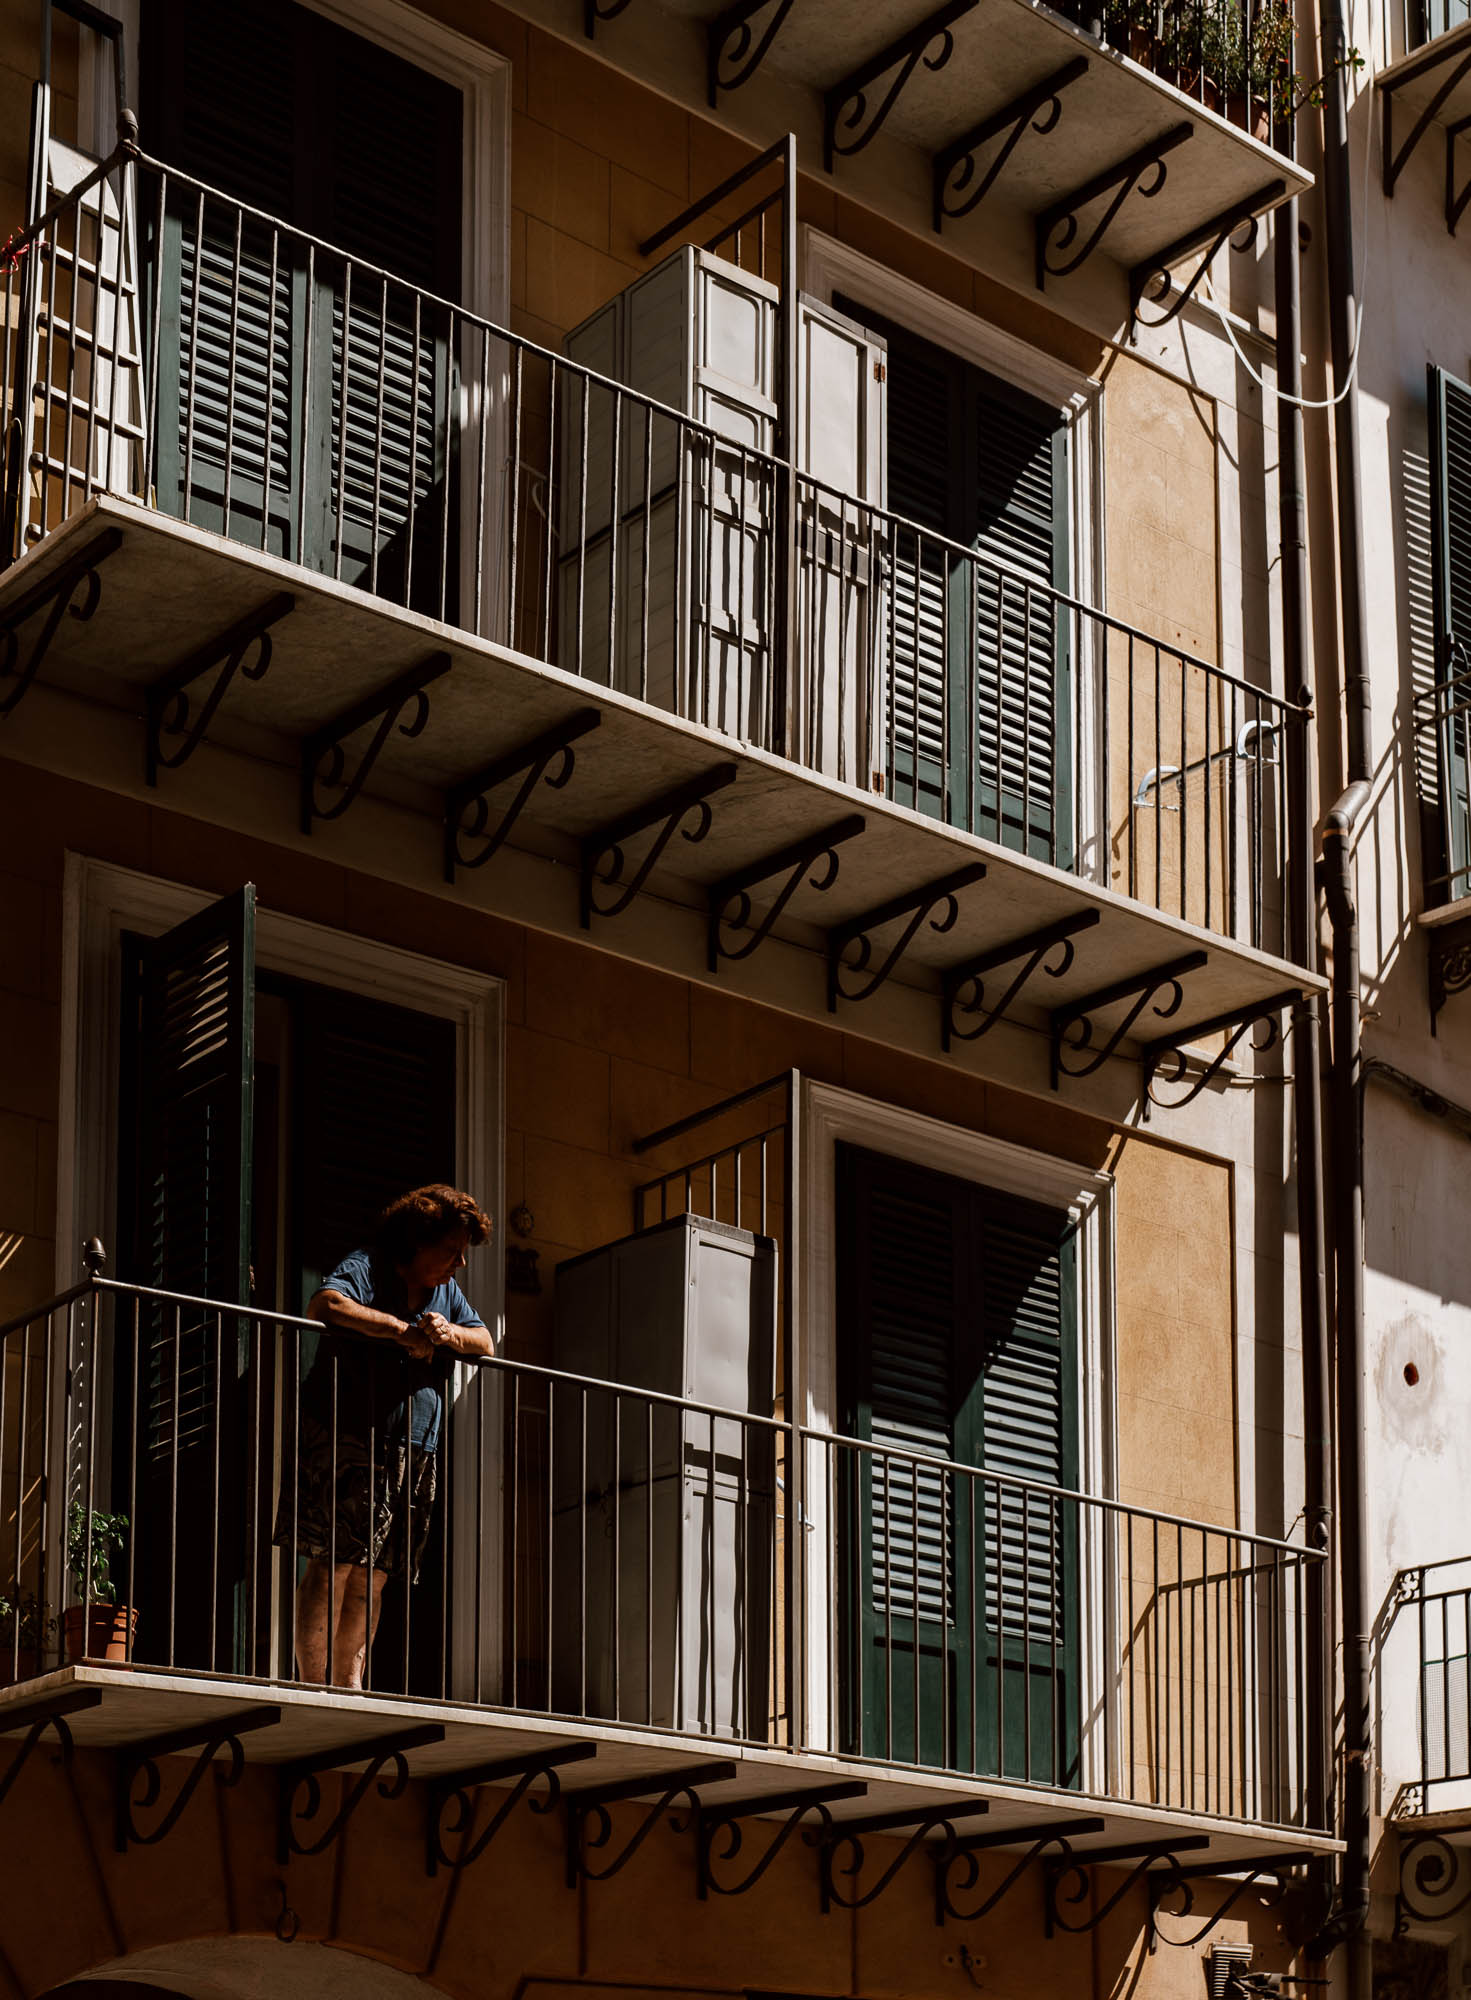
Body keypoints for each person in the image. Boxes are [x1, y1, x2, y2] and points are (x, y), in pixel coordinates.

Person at [273, 1183, 495, 1687]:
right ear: (417, 1240)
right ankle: (313, 1685)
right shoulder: (367, 1265)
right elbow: (326, 1305)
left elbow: (484, 1340)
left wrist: (448, 1334)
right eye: (450, 1250)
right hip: (347, 1435)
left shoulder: (446, 1293)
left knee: (373, 1576)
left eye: (463, 1253)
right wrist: (403, 1332)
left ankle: (349, 1688)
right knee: (333, 1567)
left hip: (413, 1447)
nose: (459, 1263)